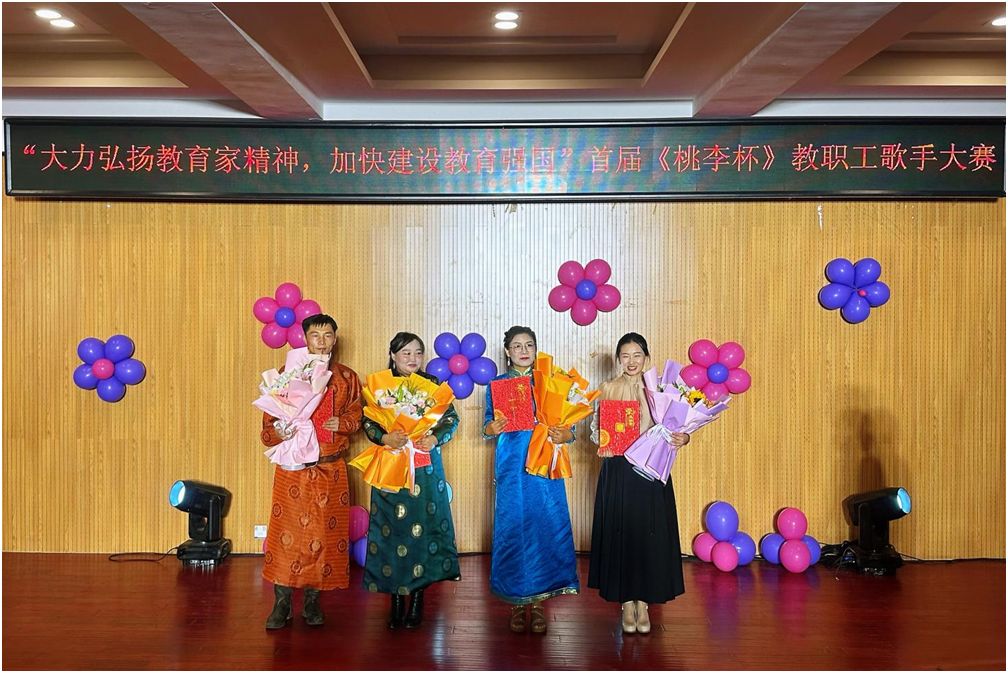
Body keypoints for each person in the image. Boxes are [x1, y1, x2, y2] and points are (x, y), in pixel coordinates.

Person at [259, 314, 362, 630]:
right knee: (286, 539)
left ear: (335, 339)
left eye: (328, 335)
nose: (321, 341)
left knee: (324, 537)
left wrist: (342, 423)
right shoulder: (286, 375)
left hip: (331, 467)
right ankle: (281, 602)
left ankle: (313, 601)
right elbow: (267, 430)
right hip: (293, 471)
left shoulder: (346, 377)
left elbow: (357, 417)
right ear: (304, 338)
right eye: (315, 335)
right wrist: (280, 431)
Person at [587, 332, 690, 634]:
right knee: (622, 535)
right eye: (625, 356)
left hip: (651, 469)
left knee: (648, 536)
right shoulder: (608, 388)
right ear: (618, 359)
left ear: (646, 358)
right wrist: (603, 435)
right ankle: (625, 602)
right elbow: (595, 429)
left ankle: (643, 602)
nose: (631, 361)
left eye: (637, 355)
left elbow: (678, 426)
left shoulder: (661, 389)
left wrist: (683, 437)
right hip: (618, 470)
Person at [361, 332, 461, 630]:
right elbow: (368, 421)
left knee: (423, 532)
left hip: (424, 469)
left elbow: (451, 419)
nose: (413, 358)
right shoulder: (380, 385)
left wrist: (435, 437)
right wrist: (384, 437)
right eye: (406, 353)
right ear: (393, 355)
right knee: (391, 532)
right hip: (391, 466)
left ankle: (417, 599)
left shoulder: (432, 384)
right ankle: (394, 599)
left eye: (418, 353)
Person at [483, 325, 578, 634]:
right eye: (517, 346)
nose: (523, 351)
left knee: (544, 527)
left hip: (545, 465)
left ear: (536, 350)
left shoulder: (549, 381)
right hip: (511, 467)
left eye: (529, 345)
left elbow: (570, 426)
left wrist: (566, 435)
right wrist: (491, 428)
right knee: (513, 530)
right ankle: (516, 602)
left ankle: (538, 603)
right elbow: (486, 426)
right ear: (507, 351)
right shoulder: (497, 385)